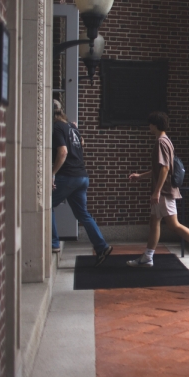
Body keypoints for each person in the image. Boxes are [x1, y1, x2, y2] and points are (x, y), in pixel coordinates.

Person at [127, 111, 189, 268]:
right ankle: (148, 256)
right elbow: (159, 169)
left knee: (174, 225)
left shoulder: (161, 142)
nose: (149, 127)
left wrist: (157, 191)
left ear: (154, 125)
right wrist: (140, 176)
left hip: (165, 192)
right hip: (164, 191)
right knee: (154, 222)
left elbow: (165, 168)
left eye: (150, 124)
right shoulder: (166, 141)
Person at [51, 100, 113, 265]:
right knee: (82, 214)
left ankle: (54, 243)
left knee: (46, 204)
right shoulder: (71, 127)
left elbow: (63, 151)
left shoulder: (57, 127)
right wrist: (74, 128)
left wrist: (52, 173)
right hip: (82, 177)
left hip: (68, 176)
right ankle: (101, 246)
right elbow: (82, 143)